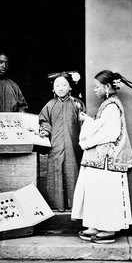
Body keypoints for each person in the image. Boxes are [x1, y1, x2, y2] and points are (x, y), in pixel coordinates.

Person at [71, 70, 132, 244]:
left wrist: (87, 141)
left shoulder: (112, 106)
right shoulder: (107, 104)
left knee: (107, 192)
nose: (94, 90)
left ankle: (108, 228)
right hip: (100, 158)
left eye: (97, 87)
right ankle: (95, 224)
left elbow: (110, 133)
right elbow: (101, 126)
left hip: (108, 158)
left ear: (107, 87)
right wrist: (88, 121)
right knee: (95, 191)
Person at [39, 71, 85, 211]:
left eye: (64, 85)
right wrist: (45, 130)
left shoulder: (77, 104)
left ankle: (74, 206)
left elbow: (83, 123)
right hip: (56, 145)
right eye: (57, 85)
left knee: (73, 170)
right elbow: (44, 121)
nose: (60, 88)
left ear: (70, 87)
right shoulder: (49, 105)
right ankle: (57, 205)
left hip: (73, 145)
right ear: (53, 89)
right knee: (55, 171)